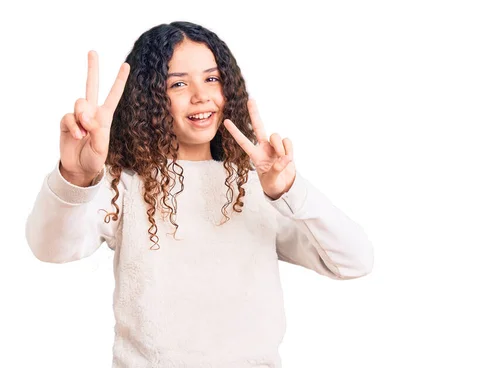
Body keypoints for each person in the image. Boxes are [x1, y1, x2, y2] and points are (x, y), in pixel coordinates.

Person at [25, 21, 373, 368]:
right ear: (149, 99)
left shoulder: (255, 186)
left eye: (211, 78)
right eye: (178, 83)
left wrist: (288, 190)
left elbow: (354, 260)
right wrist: (75, 176)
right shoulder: (126, 185)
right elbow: (51, 248)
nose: (201, 95)